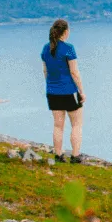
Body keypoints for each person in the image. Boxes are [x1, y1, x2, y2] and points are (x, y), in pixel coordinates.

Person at [42, 19, 85, 163]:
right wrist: (82, 91)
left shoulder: (45, 49)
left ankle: (58, 155)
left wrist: (52, 85)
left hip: (52, 92)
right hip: (69, 92)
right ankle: (75, 156)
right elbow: (74, 73)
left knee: (58, 126)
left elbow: (45, 71)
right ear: (65, 32)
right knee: (76, 125)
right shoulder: (69, 48)